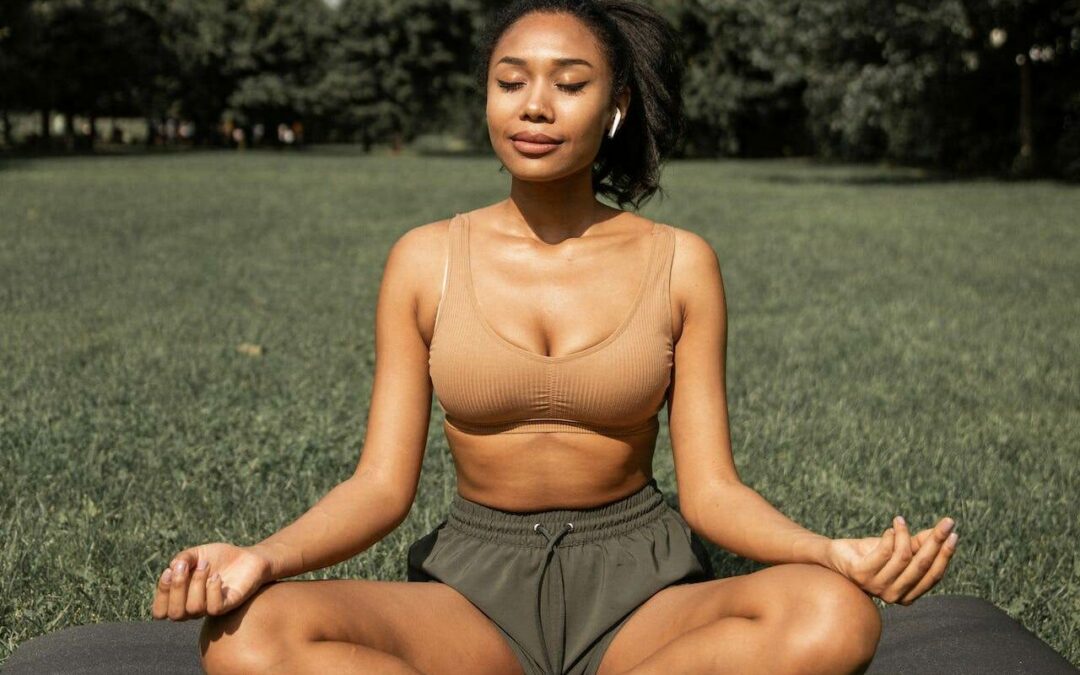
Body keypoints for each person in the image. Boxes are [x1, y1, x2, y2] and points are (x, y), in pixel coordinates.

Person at [151, 1, 960, 673]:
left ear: (614, 110)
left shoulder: (681, 263)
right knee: (246, 639)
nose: (534, 105)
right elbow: (379, 486)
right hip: (472, 594)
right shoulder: (423, 259)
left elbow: (711, 491)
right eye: (511, 83)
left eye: (568, 85)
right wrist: (264, 555)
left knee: (833, 615)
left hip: (643, 593)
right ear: (488, 99)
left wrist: (831, 553)